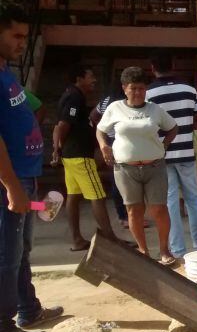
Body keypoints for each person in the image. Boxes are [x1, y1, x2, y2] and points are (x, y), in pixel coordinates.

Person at [0, 1, 63, 332]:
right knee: (6, 255)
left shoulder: (8, 74)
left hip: (25, 176)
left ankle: (28, 309)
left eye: (26, 36)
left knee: (21, 251)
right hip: (9, 180)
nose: (22, 42)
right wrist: (11, 187)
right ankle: (3, 327)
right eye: (16, 35)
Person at [96, 66, 179, 266]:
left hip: (155, 167)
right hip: (126, 169)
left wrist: (164, 146)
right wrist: (104, 146)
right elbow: (100, 130)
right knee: (134, 211)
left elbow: (173, 127)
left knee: (159, 209)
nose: (138, 92)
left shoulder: (154, 109)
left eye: (141, 88)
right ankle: (143, 250)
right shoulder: (115, 108)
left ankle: (164, 250)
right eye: (133, 88)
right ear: (125, 88)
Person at [51, 65, 123, 251]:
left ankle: (77, 240)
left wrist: (59, 149)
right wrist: (58, 148)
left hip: (71, 155)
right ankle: (111, 239)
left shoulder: (71, 95)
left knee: (73, 196)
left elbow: (61, 126)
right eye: (90, 76)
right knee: (97, 195)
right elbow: (62, 125)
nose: (94, 80)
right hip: (79, 155)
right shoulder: (74, 97)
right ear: (79, 78)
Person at [147, 52, 197, 258]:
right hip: (187, 153)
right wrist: (185, 127)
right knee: (193, 199)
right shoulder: (189, 90)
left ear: (152, 68)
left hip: (161, 155)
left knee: (170, 201)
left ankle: (178, 250)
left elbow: (148, 127)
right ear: (173, 64)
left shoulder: (148, 94)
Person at [90, 83, 130, 228]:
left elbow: (93, 115)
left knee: (118, 179)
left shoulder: (106, 100)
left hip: (111, 140)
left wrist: (104, 129)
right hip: (121, 142)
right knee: (122, 180)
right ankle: (125, 216)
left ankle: (124, 215)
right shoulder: (124, 102)